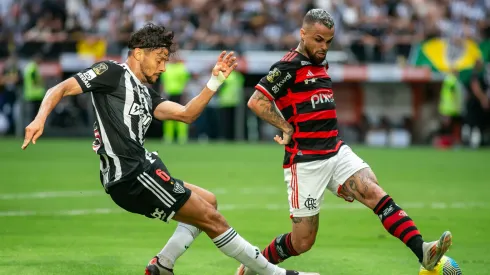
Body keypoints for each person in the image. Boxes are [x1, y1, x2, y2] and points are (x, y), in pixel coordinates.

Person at [21, 23, 317, 275]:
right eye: (160, 58)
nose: (163, 67)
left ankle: (162, 265)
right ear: (139, 53)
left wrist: (214, 81)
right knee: (212, 220)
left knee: (209, 202)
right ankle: (275, 272)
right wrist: (39, 119)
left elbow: (187, 114)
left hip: (143, 169)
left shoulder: (146, 93)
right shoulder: (110, 72)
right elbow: (57, 89)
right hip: (132, 175)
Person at [236, 9, 453, 275]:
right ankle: (253, 266)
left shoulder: (320, 64)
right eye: (318, 39)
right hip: (305, 161)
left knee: (373, 190)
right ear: (302, 34)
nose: (323, 47)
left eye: (328, 41)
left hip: (335, 151)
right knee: (302, 242)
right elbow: (256, 101)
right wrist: (285, 126)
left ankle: (423, 251)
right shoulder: (286, 67)